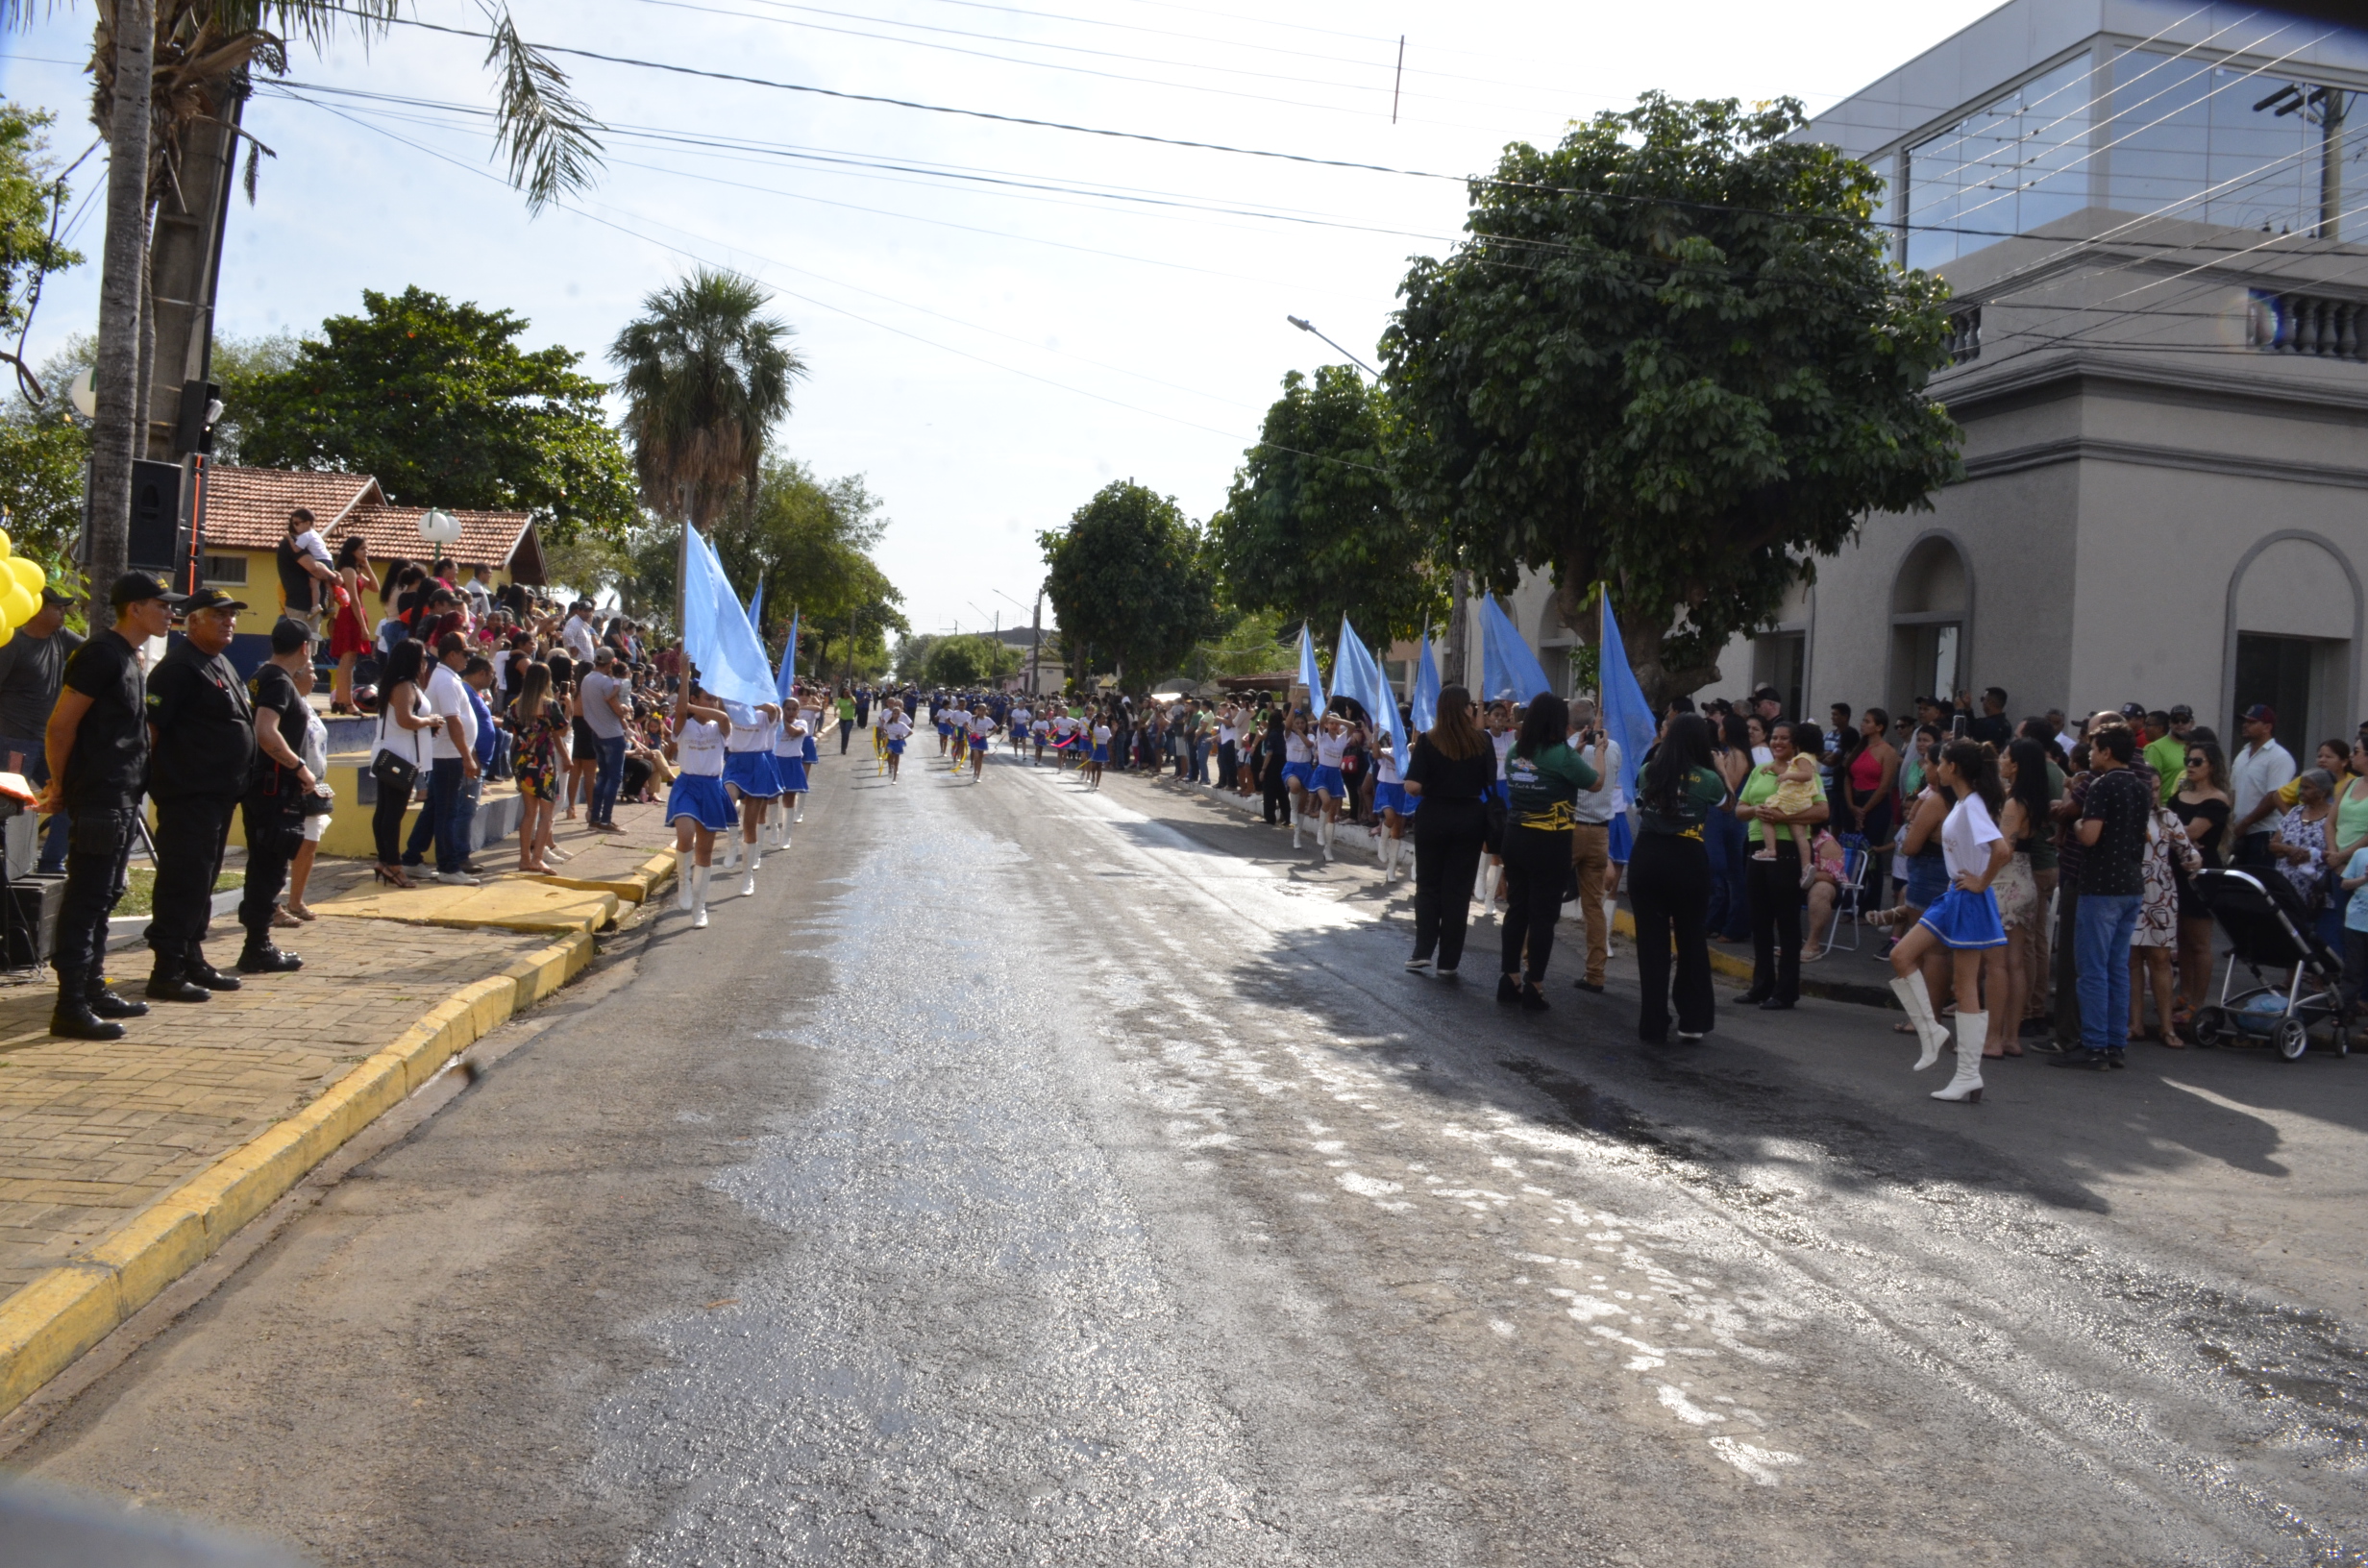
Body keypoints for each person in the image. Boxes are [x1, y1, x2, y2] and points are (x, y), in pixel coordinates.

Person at [40, 574, 175, 1039]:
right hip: (98, 796)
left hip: (121, 796)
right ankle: (70, 1005)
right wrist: (59, 787)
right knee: (87, 897)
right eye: (161, 605)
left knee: (107, 895)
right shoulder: (100, 654)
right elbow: (61, 727)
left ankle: (93, 988)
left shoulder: (129, 657)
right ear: (134, 608)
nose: (169, 612)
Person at [142, 586, 261, 1002]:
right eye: (219, 614)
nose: (229, 621)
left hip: (218, 796)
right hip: (187, 796)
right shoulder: (177, 668)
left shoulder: (220, 662)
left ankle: (192, 956)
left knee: (202, 882)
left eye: (233, 615)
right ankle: (166, 969)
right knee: (183, 881)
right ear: (192, 621)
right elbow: (151, 731)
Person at [1886, 740, 2010, 1104]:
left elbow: (2002, 850)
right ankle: (1932, 1032)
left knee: (1964, 983)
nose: (1934, 767)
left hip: (1968, 896)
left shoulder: (1971, 806)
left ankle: (1968, 1074)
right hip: (1956, 894)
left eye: (1939, 762)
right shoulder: (1964, 803)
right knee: (1903, 956)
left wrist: (1981, 882)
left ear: (1953, 767)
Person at [1492, 695, 1605, 1012]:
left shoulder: (1517, 751)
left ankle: (1510, 978)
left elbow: (1550, 768)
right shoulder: (1562, 755)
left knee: (1517, 909)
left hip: (1515, 836)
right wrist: (1598, 751)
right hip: (1549, 841)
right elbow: (1595, 783)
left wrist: (1576, 750)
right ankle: (1535, 985)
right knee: (1543, 916)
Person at [2057, 723, 2152, 1070]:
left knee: (2092, 969)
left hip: (2100, 886)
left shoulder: (2100, 785)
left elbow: (2091, 835)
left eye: (2094, 748)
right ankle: (2114, 1043)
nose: (2091, 753)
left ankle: (2094, 1044)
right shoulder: (2142, 788)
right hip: (2130, 884)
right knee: (2117, 968)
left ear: (2107, 752)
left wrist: (2078, 824)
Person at [1630, 713, 1728, 1044]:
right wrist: (1722, 770)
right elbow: (1729, 805)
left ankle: (1652, 1024)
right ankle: (1693, 1019)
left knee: (1651, 945)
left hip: (1647, 858)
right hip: (1687, 860)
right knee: (1691, 940)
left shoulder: (1649, 771)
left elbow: (1641, 803)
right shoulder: (1707, 778)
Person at [233, 618, 317, 974]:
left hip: (262, 786)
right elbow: (266, 732)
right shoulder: (278, 682)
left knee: (264, 864)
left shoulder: (261, 677)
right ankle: (257, 946)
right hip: (273, 789)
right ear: (304, 647)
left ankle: (258, 943)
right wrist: (300, 767)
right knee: (269, 867)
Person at [1736, 721, 1829, 1010]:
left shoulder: (1804, 771)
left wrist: (1781, 818)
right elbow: (1739, 810)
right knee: (1759, 920)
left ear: (1795, 743)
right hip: (1756, 847)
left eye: (1784, 739)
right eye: (1774, 738)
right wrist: (1757, 810)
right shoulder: (1758, 770)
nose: (1778, 743)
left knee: (1786, 921)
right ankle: (1761, 985)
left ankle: (1786, 990)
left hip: (1787, 850)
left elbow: (1822, 811)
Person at [1401, 686, 1494, 976]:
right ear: (1465, 709)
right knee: (1457, 890)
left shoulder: (1429, 741)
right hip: (1470, 817)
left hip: (1434, 816)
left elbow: (1413, 786)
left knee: (1428, 886)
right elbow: (1490, 781)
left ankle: (1422, 951)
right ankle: (1449, 961)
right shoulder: (1483, 742)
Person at [0, 584, 83, 875]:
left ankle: (51, 863)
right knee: (7, 808)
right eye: (57, 607)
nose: (63, 613)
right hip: (14, 743)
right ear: (37, 610)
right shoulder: (13, 645)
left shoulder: (60, 636)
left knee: (71, 796)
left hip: (48, 742)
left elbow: (92, 651)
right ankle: (5, 871)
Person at [401, 632, 481, 886]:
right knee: (447, 813)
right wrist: (467, 757)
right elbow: (453, 721)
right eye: (465, 654)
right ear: (452, 654)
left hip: (446, 754)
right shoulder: (447, 682)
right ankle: (448, 866)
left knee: (434, 809)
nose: (468, 659)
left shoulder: (447, 678)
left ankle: (412, 858)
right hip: (448, 756)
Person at [666, 679, 735, 928]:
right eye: (708, 697)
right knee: (685, 835)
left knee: (704, 851)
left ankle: (699, 906)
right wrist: (684, 674)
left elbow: (724, 719)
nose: (713, 702)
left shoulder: (720, 726)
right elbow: (681, 711)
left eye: (715, 699)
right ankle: (683, 883)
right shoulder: (684, 724)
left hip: (711, 787)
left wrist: (697, 707)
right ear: (694, 699)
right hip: (687, 784)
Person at [1566, 697, 1622, 994]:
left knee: (1546, 896)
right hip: (1600, 833)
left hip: (1570, 829)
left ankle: (1529, 961)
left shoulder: (1567, 749)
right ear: (1593, 722)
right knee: (1594, 907)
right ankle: (1595, 974)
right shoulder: (1612, 748)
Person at [2173, 739, 2232, 1017]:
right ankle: (2184, 993)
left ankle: (2198, 1000)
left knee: (2198, 941)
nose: (2191, 766)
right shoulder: (2181, 794)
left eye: (2198, 762)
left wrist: (2178, 834)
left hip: (2201, 873)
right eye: (2188, 761)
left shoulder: (2217, 800)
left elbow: (2192, 832)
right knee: (2181, 938)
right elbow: (2167, 824)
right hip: (2175, 868)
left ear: (2211, 766)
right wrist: (2178, 834)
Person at [279, 649, 333, 925]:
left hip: (315, 783)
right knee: (284, 846)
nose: (315, 677)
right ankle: (274, 903)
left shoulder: (307, 703)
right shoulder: (288, 702)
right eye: (311, 672)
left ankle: (295, 900)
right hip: (295, 784)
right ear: (297, 675)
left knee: (310, 844)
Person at [509, 660, 565, 873]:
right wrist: (564, 706)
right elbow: (561, 731)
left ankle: (524, 859)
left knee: (529, 814)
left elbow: (514, 733)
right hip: (544, 762)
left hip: (522, 761)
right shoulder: (550, 705)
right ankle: (537, 858)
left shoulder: (516, 704)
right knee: (546, 814)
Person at [1705, 712, 1754, 944]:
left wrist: (1720, 767)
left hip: (1728, 820)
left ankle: (1736, 926)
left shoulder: (1738, 755)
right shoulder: (1729, 754)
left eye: (1722, 726)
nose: (1718, 729)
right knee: (1719, 871)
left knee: (1732, 873)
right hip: (1718, 818)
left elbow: (1730, 790)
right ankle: (1715, 920)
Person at [2229, 705, 2296, 868]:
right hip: (2239, 832)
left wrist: (2244, 824)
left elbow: (2274, 797)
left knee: (2260, 881)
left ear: (2267, 727)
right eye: (2245, 721)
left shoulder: (2279, 756)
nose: (2245, 725)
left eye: (2252, 722)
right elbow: (2233, 792)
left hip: (2265, 832)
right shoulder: (2243, 754)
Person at [579, 646, 630, 830]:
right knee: (613, 779)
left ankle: (595, 818)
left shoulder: (586, 679)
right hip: (613, 734)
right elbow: (617, 710)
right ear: (610, 663)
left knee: (603, 778)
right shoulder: (606, 682)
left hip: (597, 733)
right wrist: (625, 709)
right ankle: (605, 820)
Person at [326, 536, 378, 714]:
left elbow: (375, 587)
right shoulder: (347, 570)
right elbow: (354, 600)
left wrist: (367, 565)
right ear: (352, 550)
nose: (366, 551)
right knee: (347, 660)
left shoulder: (357, 571)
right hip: (350, 615)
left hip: (356, 614)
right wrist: (363, 626)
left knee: (350, 659)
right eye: (362, 549)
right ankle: (345, 701)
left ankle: (342, 700)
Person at [275, 506, 335, 633]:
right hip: (301, 607)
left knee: (308, 647)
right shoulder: (293, 542)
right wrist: (332, 576)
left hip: (305, 608)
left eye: (297, 523)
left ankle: (327, 607)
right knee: (305, 646)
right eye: (294, 523)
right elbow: (314, 569)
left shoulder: (306, 539)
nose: (294, 525)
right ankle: (327, 606)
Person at [837, 687, 857, 753]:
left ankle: (844, 748)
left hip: (850, 719)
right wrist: (835, 712)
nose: (845, 694)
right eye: (844, 692)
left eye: (847, 692)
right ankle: (842, 748)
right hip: (842, 719)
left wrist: (851, 696)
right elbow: (836, 706)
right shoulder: (840, 699)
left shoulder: (851, 698)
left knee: (846, 733)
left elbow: (855, 703)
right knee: (843, 734)